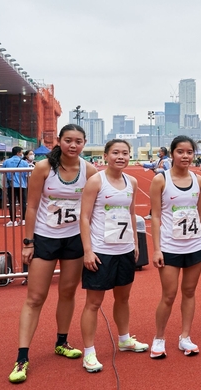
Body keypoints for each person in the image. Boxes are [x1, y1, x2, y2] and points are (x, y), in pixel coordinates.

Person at [8, 125, 97, 383]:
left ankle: (62, 341)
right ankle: (22, 357)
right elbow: (32, 206)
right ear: (59, 141)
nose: (73, 145)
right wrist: (28, 242)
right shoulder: (44, 167)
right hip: (46, 238)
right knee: (35, 297)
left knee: (68, 292)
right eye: (68, 140)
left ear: (84, 143)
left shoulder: (89, 170)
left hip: (74, 240)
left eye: (78, 141)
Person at [79, 139, 148, 373]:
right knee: (94, 302)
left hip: (125, 249)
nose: (121, 157)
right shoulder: (96, 181)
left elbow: (131, 213)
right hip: (101, 251)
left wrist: (136, 244)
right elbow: (85, 217)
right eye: (116, 153)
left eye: (125, 153)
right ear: (106, 155)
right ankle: (89, 353)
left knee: (123, 298)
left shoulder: (133, 182)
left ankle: (125, 339)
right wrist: (87, 250)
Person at [149, 136, 201, 358]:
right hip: (170, 247)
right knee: (169, 295)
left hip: (195, 245)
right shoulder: (161, 180)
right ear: (171, 153)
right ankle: (159, 337)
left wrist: (200, 237)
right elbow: (155, 216)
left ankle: (185, 336)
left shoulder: (198, 180)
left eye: (189, 152)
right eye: (180, 152)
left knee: (190, 292)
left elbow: (199, 213)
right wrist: (156, 248)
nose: (185, 156)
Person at [2, 146, 29, 227]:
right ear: (18, 153)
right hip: (22, 185)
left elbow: (3, 174)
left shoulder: (6, 162)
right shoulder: (24, 163)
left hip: (11, 185)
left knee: (12, 203)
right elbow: (27, 175)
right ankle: (23, 219)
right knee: (23, 203)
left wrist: (4, 185)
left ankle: (13, 221)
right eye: (21, 152)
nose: (22, 154)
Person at [144, 147, 172, 219]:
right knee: (157, 198)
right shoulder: (159, 160)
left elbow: (168, 170)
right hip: (159, 181)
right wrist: (142, 164)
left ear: (163, 153)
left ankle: (154, 214)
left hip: (165, 181)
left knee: (162, 198)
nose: (158, 153)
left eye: (159, 152)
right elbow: (152, 165)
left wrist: (157, 170)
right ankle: (153, 214)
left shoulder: (167, 161)